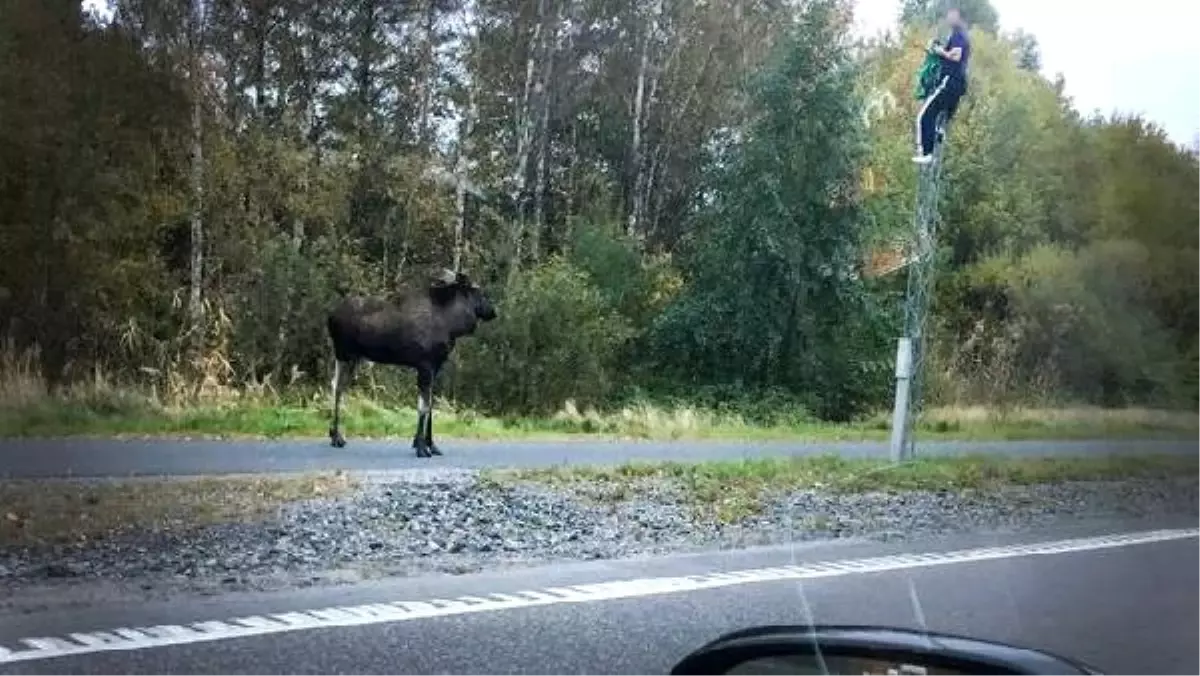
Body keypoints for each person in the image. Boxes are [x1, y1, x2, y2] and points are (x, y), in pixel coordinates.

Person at [913, 7, 971, 164]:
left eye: (952, 14)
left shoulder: (959, 35)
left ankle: (926, 153)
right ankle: (940, 131)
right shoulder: (960, 35)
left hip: (950, 82)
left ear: (959, 16)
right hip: (957, 86)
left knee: (924, 116)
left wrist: (940, 51)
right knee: (941, 113)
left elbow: (956, 56)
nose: (948, 17)